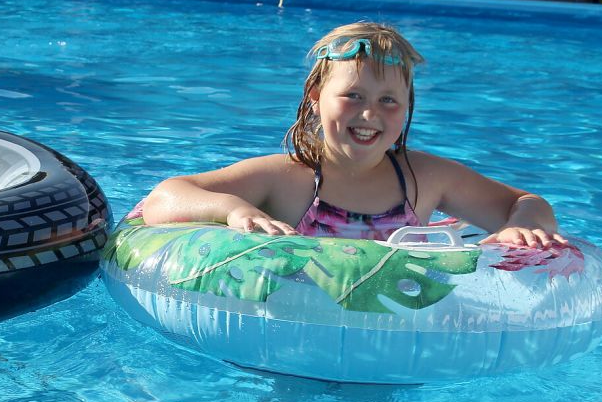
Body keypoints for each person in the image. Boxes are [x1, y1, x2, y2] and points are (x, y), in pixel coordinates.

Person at [142, 22, 565, 249]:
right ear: (315, 96)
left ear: (408, 107)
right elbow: (164, 198)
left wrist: (521, 226)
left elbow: (526, 203)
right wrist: (234, 209)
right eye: (353, 95)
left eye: (388, 101)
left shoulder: (427, 177)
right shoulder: (287, 177)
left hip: (388, 345)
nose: (369, 114)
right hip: (289, 338)